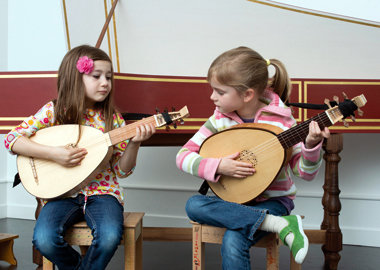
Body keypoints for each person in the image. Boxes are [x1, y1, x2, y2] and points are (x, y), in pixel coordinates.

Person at [176, 46, 330, 269]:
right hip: (234, 201)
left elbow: (305, 173)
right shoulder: (218, 121)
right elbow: (182, 157)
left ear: (248, 94)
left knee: (233, 241)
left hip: (274, 202)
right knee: (194, 204)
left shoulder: (282, 122)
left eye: (220, 92)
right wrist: (219, 166)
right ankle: (280, 225)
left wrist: (311, 145)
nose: (212, 97)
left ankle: (277, 219)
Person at [4, 45, 155, 270]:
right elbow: (12, 139)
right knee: (44, 239)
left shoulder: (113, 121)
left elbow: (123, 171)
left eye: (108, 77)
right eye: (96, 76)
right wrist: (54, 154)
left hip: (103, 194)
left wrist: (135, 143)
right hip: (61, 196)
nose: (105, 82)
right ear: (75, 78)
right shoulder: (54, 112)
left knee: (110, 236)